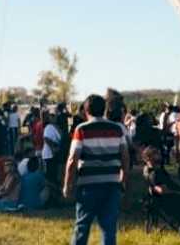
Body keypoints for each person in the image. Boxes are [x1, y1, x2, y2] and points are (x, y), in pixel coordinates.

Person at [64, 94, 130, 245]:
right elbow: (125, 157)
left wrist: (67, 185)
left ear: (86, 111)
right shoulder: (117, 129)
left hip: (88, 185)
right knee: (109, 229)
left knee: (82, 227)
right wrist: (123, 179)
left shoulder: (81, 129)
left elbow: (73, 159)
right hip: (112, 184)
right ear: (104, 109)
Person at [41, 111, 62, 207]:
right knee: (50, 178)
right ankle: (50, 199)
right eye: (52, 116)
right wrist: (53, 147)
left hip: (55, 156)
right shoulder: (48, 127)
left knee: (54, 177)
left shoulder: (57, 127)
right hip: (48, 155)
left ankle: (55, 199)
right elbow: (46, 139)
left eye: (55, 116)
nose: (54, 118)